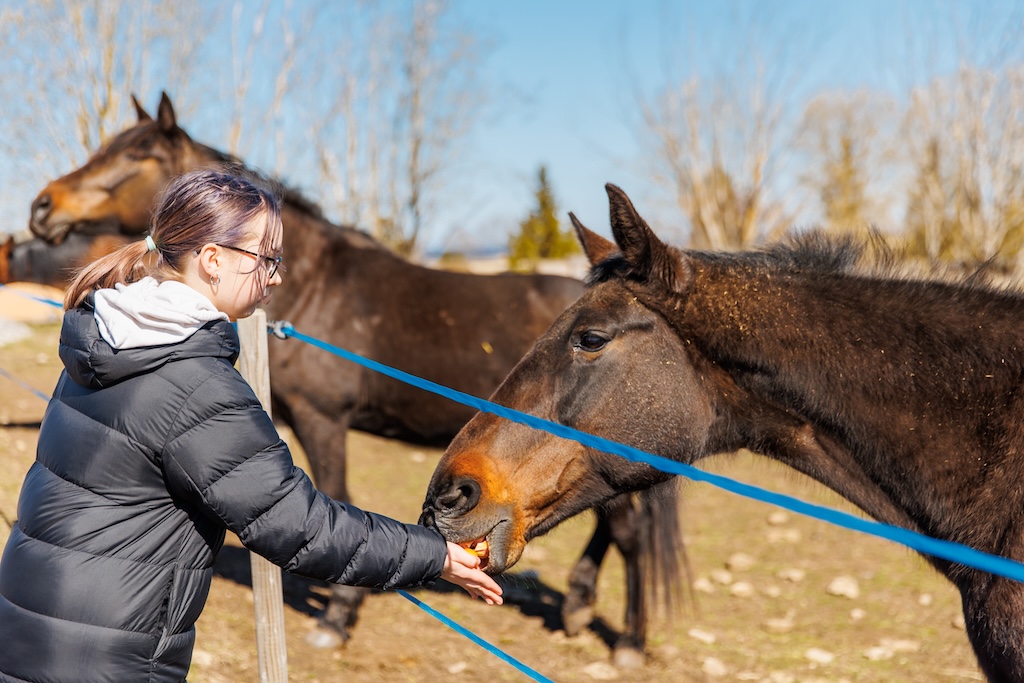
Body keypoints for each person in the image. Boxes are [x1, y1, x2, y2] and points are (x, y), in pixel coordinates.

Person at [0, 168, 502, 683]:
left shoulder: (108, 334)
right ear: (213, 260)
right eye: (267, 259)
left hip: (30, 620)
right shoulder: (192, 380)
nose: (277, 276)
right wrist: (434, 554)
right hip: (104, 651)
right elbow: (297, 526)